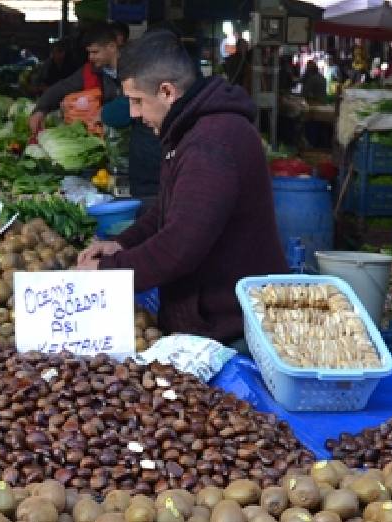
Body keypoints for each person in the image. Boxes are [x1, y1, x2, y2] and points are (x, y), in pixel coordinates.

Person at [75, 31, 287, 344]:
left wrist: (109, 270)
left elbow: (178, 248)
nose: (133, 114)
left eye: (137, 101)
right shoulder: (190, 129)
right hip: (212, 319)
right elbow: (167, 209)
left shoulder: (210, 144)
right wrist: (121, 244)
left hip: (233, 331)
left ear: (167, 92)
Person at [33, 23, 161, 201]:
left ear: (111, 47)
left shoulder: (136, 68)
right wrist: (40, 109)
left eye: (95, 52)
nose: (90, 57)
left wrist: (104, 113)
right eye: (89, 52)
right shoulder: (94, 70)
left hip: (144, 148)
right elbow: (63, 87)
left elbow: (130, 105)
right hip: (116, 149)